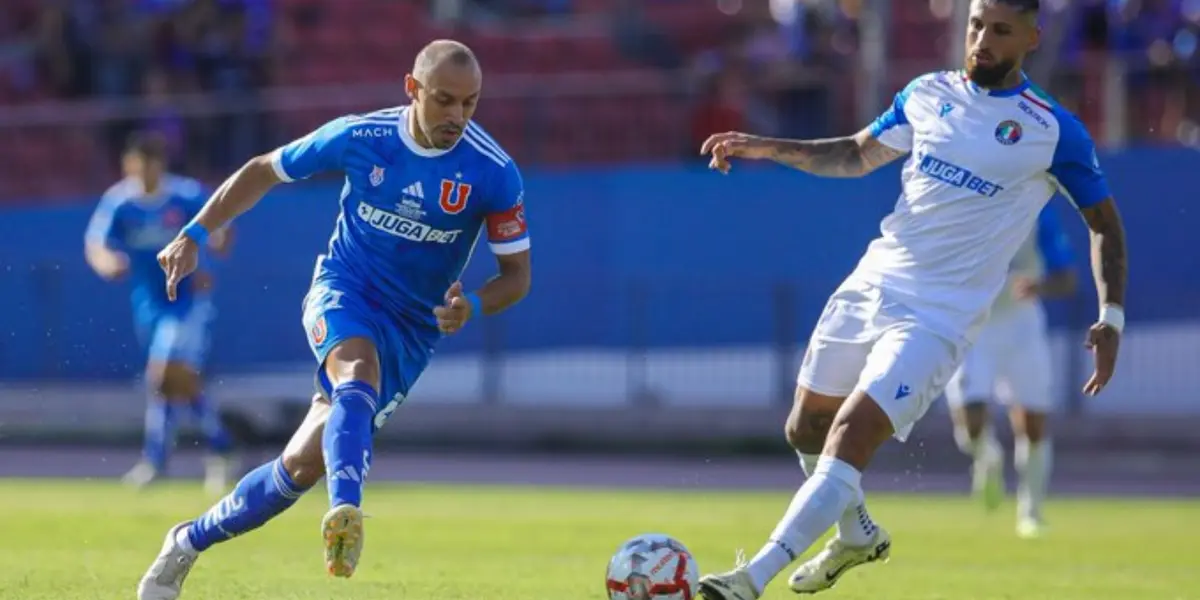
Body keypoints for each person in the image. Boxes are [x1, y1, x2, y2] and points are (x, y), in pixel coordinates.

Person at [695, 1, 1127, 598]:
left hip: (940, 315)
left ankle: (751, 579)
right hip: (873, 280)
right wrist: (767, 147)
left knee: (852, 432)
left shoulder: (1054, 129)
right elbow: (854, 152)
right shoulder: (927, 92)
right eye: (976, 25)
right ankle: (857, 536)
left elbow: (1104, 223)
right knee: (806, 429)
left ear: (1032, 37)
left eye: (1000, 31)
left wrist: (1111, 316)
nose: (981, 41)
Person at [136, 40, 532, 600]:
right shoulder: (361, 136)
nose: (458, 117)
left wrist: (475, 304)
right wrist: (194, 233)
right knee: (356, 373)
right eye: (444, 100)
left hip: (414, 329)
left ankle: (186, 541)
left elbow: (517, 277)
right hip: (345, 289)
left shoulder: (493, 172)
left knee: (296, 469)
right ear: (412, 89)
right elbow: (262, 170)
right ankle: (346, 510)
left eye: (470, 103)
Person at [84, 131, 237, 496]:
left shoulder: (185, 195)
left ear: (161, 165)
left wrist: (215, 244)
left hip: (187, 303)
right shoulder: (120, 201)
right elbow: (96, 243)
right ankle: (219, 448)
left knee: (162, 373)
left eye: (151, 164)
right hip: (148, 305)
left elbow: (222, 227)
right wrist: (106, 262)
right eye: (138, 164)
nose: (145, 172)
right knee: (170, 383)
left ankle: (158, 459)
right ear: (128, 165)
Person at [944, 204, 1077, 539]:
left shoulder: (1039, 212)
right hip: (974, 328)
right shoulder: (963, 209)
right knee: (970, 426)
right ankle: (987, 458)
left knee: (1033, 424)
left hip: (1022, 327)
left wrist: (1039, 287)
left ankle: (1030, 512)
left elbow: (1067, 278)